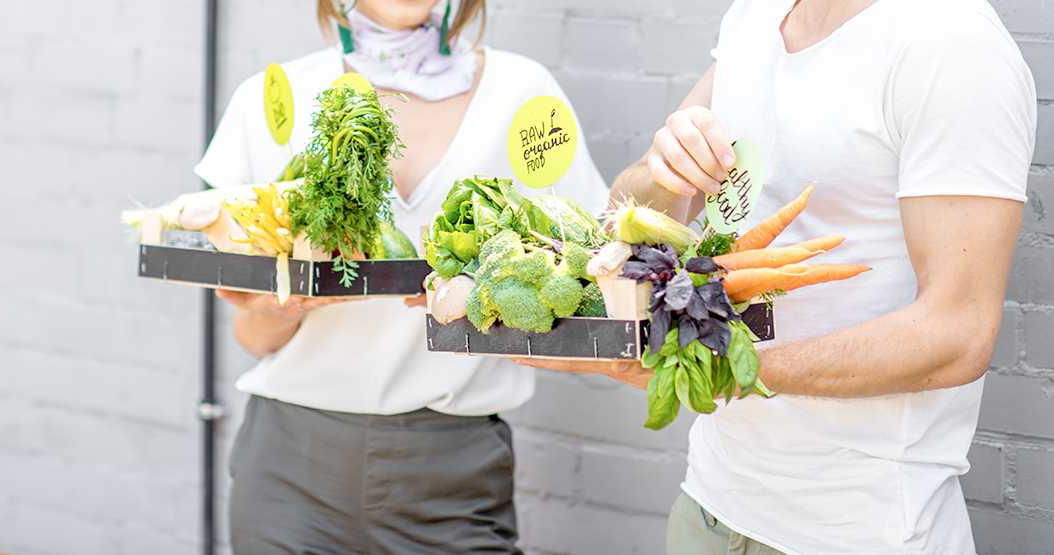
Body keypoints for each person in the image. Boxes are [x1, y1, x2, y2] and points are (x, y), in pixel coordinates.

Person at [518, 0, 1037, 553]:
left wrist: (729, 371)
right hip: (709, 509)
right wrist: (660, 171)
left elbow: (958, 334)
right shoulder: (754, 17)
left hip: (859, 532)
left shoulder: (949, 41)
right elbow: (626, 221)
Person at [194, 1, 608, 553]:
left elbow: (589, 270)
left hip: (451, 469)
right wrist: (280, 305)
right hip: (288, 466)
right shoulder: (278, 98)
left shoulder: (523, 94)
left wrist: (493, 297)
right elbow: (251, 336)